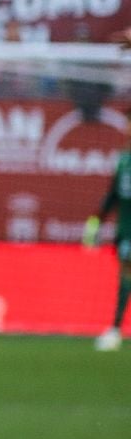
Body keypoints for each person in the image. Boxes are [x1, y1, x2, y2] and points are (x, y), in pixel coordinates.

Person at [82, 137, 131, 351]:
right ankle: (115, 330)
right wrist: (96, 221)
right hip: (126, 229)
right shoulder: (123, 160)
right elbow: (113, 195)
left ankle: (115, 330)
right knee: (126, 273)